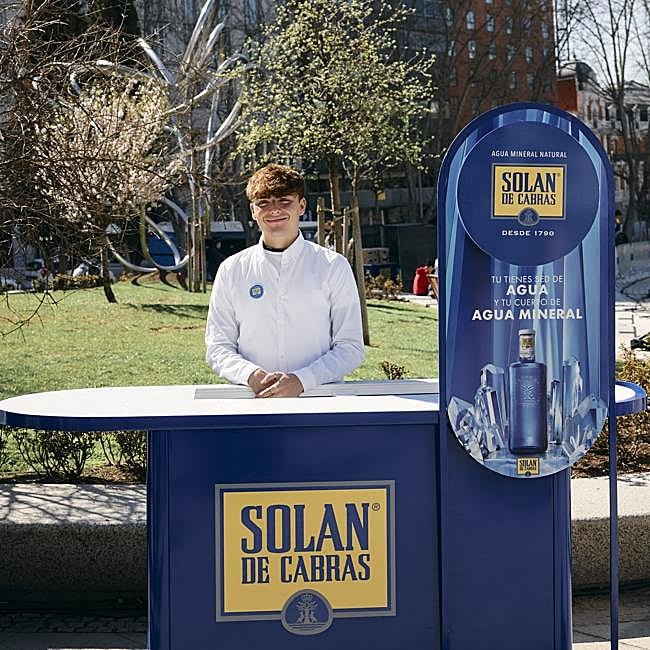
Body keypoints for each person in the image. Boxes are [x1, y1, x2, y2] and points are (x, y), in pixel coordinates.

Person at [205, 164, 365, 398]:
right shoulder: (232, 270)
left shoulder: (333, 267)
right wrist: (250, 375)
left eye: (284, 201)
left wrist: (302, 380)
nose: (274, 210)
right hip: (253, 400)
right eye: (264, 203)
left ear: (302, 206)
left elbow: (350, 347)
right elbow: (217, 346)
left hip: (318, 400)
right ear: (253, 210)